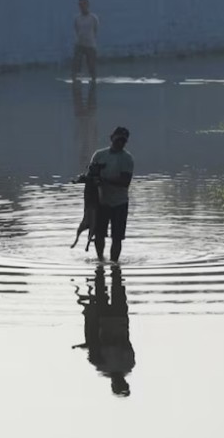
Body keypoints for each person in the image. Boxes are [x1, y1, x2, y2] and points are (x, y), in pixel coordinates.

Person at [72, 265, 135, 397]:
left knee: (106, 287)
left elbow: (92, 340)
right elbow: (126, 343)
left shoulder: (121, 365)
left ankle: (102, 269)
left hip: (110, 320)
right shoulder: (111, 365)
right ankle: (105, 269)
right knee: (111, 286)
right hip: (115, 320)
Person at [88, 127, 133, 263]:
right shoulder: (99, 155)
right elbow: (91, 174)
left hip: (119, 202)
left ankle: (114, 264)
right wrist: (89, 179)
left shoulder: (127, 158)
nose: (120, 143)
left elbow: (125, 182)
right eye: (118, 139)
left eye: (123, 141)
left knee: (117, 237)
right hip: (101, 201)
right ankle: (100, 261)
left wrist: (104, 180)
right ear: (111, 138)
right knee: (99, 234)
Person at [72, 0, 99, 83]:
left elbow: (96, 29)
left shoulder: (93, 18)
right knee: (76, 63)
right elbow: (77, 29)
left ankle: (93, 81)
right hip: (80, 44)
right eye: (80, 5)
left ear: (87, 5)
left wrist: (91, 39)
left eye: (83, 4)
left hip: (90, 45)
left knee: (91, 65)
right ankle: (75, 81)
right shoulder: (77, 18)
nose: (82, 7)